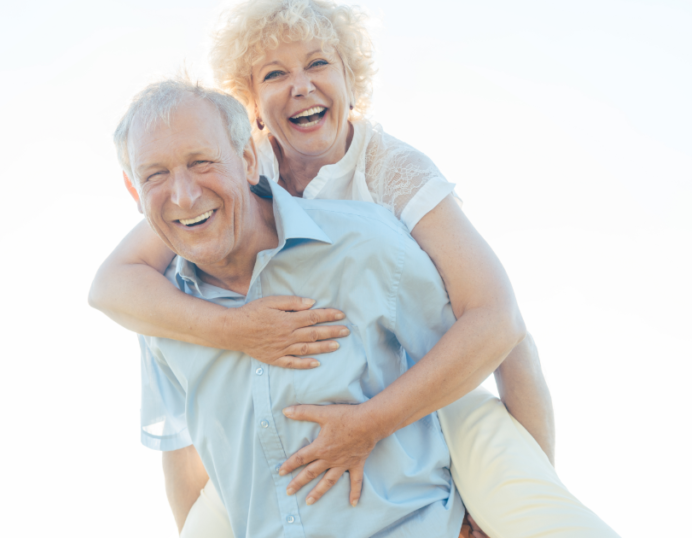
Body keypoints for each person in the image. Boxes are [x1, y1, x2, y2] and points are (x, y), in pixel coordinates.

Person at [91, 0, 556, 514]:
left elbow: (497, 321)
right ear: (251, 104)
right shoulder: (237, 172)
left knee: (516, 428)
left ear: (350, 78)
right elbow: (113, 284)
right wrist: (236, 329)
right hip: (300, 420)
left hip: (430, 384)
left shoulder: (390, 170)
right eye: (274, 74)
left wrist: (374, 426)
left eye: (318, 64)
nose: (301, 86)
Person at [115, 77, 617, 537]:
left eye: (202, 162)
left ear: (248, 160)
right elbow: (184, 455)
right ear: (134, 191)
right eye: (156, 174)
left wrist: (493, 511)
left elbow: (491, 341)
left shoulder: (370, 241)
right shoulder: (159, 311)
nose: (182, 194)